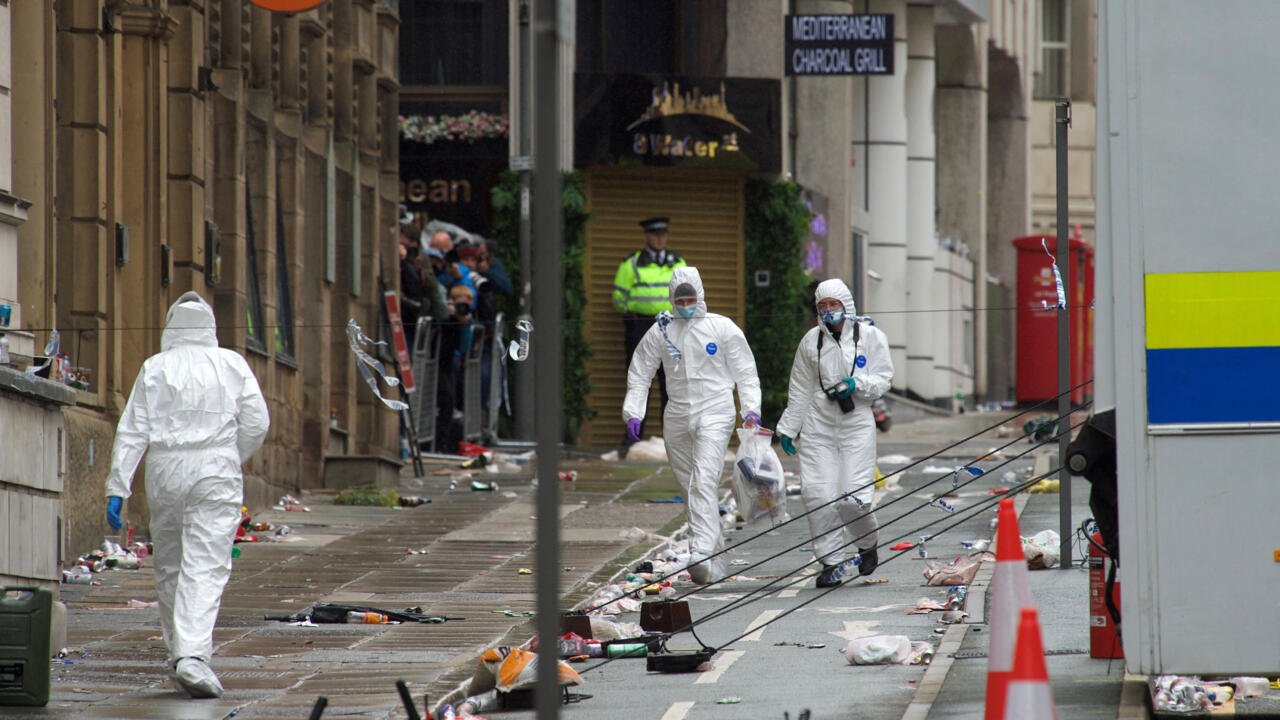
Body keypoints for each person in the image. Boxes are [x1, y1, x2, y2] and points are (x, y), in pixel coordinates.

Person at [104, 292, 270, 698]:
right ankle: (192, 656)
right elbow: (257, 422)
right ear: (209, 328)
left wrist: (117, 487)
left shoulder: (155, 367)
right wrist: (231, 454)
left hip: (166, 468)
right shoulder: (232, 364)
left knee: (172, 563)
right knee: (206, 563)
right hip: (215, 468)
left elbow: (133, 429)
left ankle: (180, 650)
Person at [623, 267, 761, 583]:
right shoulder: (661, 330)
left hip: (716, 411)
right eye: (679, 299)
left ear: (700, 296)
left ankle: (700, 552)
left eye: (690, 298)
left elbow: (746, 373)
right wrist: (634, 411)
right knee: (692, 488)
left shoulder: (722, 328)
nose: (685, 304)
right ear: (672, 299)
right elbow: (641, 371)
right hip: (677, 415)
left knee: (703, 480)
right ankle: (713, 561)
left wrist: (750, 410)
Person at [776, 279, 893, 588]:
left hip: (856, 424)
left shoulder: (870, 336)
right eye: (822, 306)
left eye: (833, 305)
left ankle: (867, 544)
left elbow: (883, 379)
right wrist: (789, 427)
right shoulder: (810, 342)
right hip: (818, 426)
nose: (828, 311)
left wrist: (857, 385)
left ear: (846, 305)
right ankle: (830, 562)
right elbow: (800, 388)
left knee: (853, 498)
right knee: (818, 495)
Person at [612, 216, 686, 449]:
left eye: (663, 234)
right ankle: (633, 438)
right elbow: (618, 299)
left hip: (670, 328)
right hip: (640, 328)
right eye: (655, 235)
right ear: (646, 236)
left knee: (671, 384)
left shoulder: (678, 262)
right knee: (639, 381)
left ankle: (671, 439)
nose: (660, 239)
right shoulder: (631, 264)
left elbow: (688, 293)